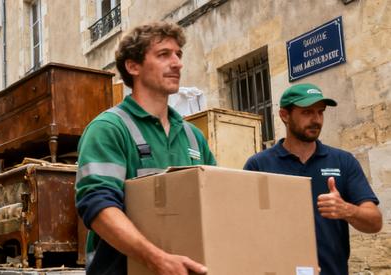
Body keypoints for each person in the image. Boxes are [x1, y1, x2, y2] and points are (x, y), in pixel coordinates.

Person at [74, 21, 217, 275]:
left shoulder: (193, 137)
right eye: (164, 54)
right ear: (133, 66)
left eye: (178, 54)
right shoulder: (108, 129)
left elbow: (216, 203)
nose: (177, 63)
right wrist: (158, 260)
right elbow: (97, 206)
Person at [243, 83, 382, 275]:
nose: (316, 120)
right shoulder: (259, 165)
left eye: (320, 112)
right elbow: (243, 229)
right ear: (285, 115)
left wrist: (347, 209)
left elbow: (375, 222)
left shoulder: (343, 161)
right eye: (307, 112)